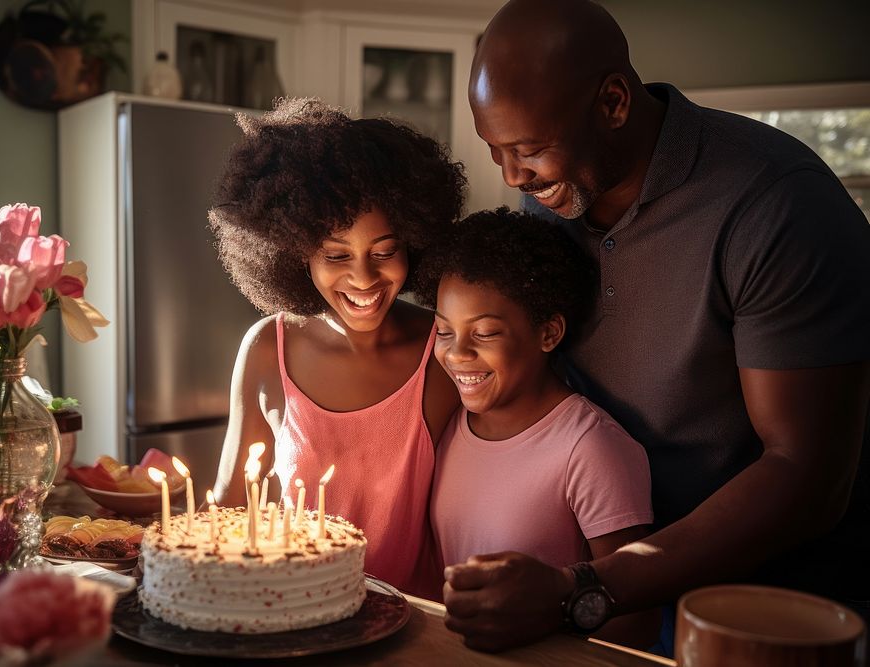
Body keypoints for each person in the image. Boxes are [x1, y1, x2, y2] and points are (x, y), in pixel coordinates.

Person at [444, 0, 870, 653]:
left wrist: (580, 587)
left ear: (613, 102)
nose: (512, 177)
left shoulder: (775, 203)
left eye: (528, 149)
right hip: (615, 590)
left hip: (771, 609)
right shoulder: (554, 200)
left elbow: (807, 474)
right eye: (496, 150)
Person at [208, 98, 465, 599]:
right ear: (294, 251)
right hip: (294, 613)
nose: (364, 277)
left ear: (415, 241)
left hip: (417, 631)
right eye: (336, 255)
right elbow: (230, 507)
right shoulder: (269, 348)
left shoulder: (445, 351)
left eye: (385, 251)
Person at [420, 207, 660, 648]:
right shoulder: (448, 423)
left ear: (549, 333)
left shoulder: (589, 448)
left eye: (486, 333)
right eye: (444, 331)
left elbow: (638, 619)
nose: (457, 354)